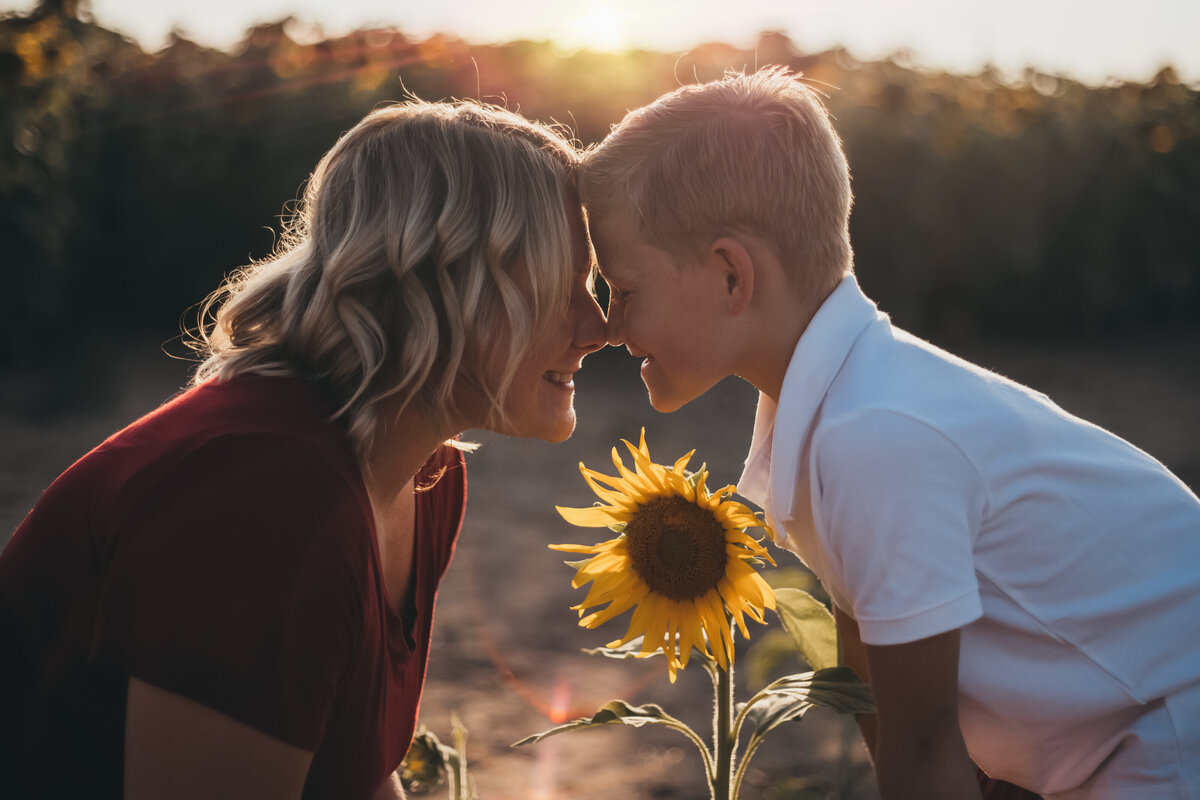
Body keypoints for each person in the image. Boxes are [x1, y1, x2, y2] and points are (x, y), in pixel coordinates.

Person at [578, 67, 1200, 799]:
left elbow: (926, 745)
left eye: (622, 291)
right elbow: (871, 684)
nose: (606, 326)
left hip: (1170, 727)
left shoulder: (875, 435)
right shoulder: (848, 400)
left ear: (730, 278)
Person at [0, 99, 606, 799]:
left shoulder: (425, 474)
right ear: (446, 283)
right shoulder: (263, 495)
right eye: (565, 286)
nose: (598, 326)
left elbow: (351, 772)